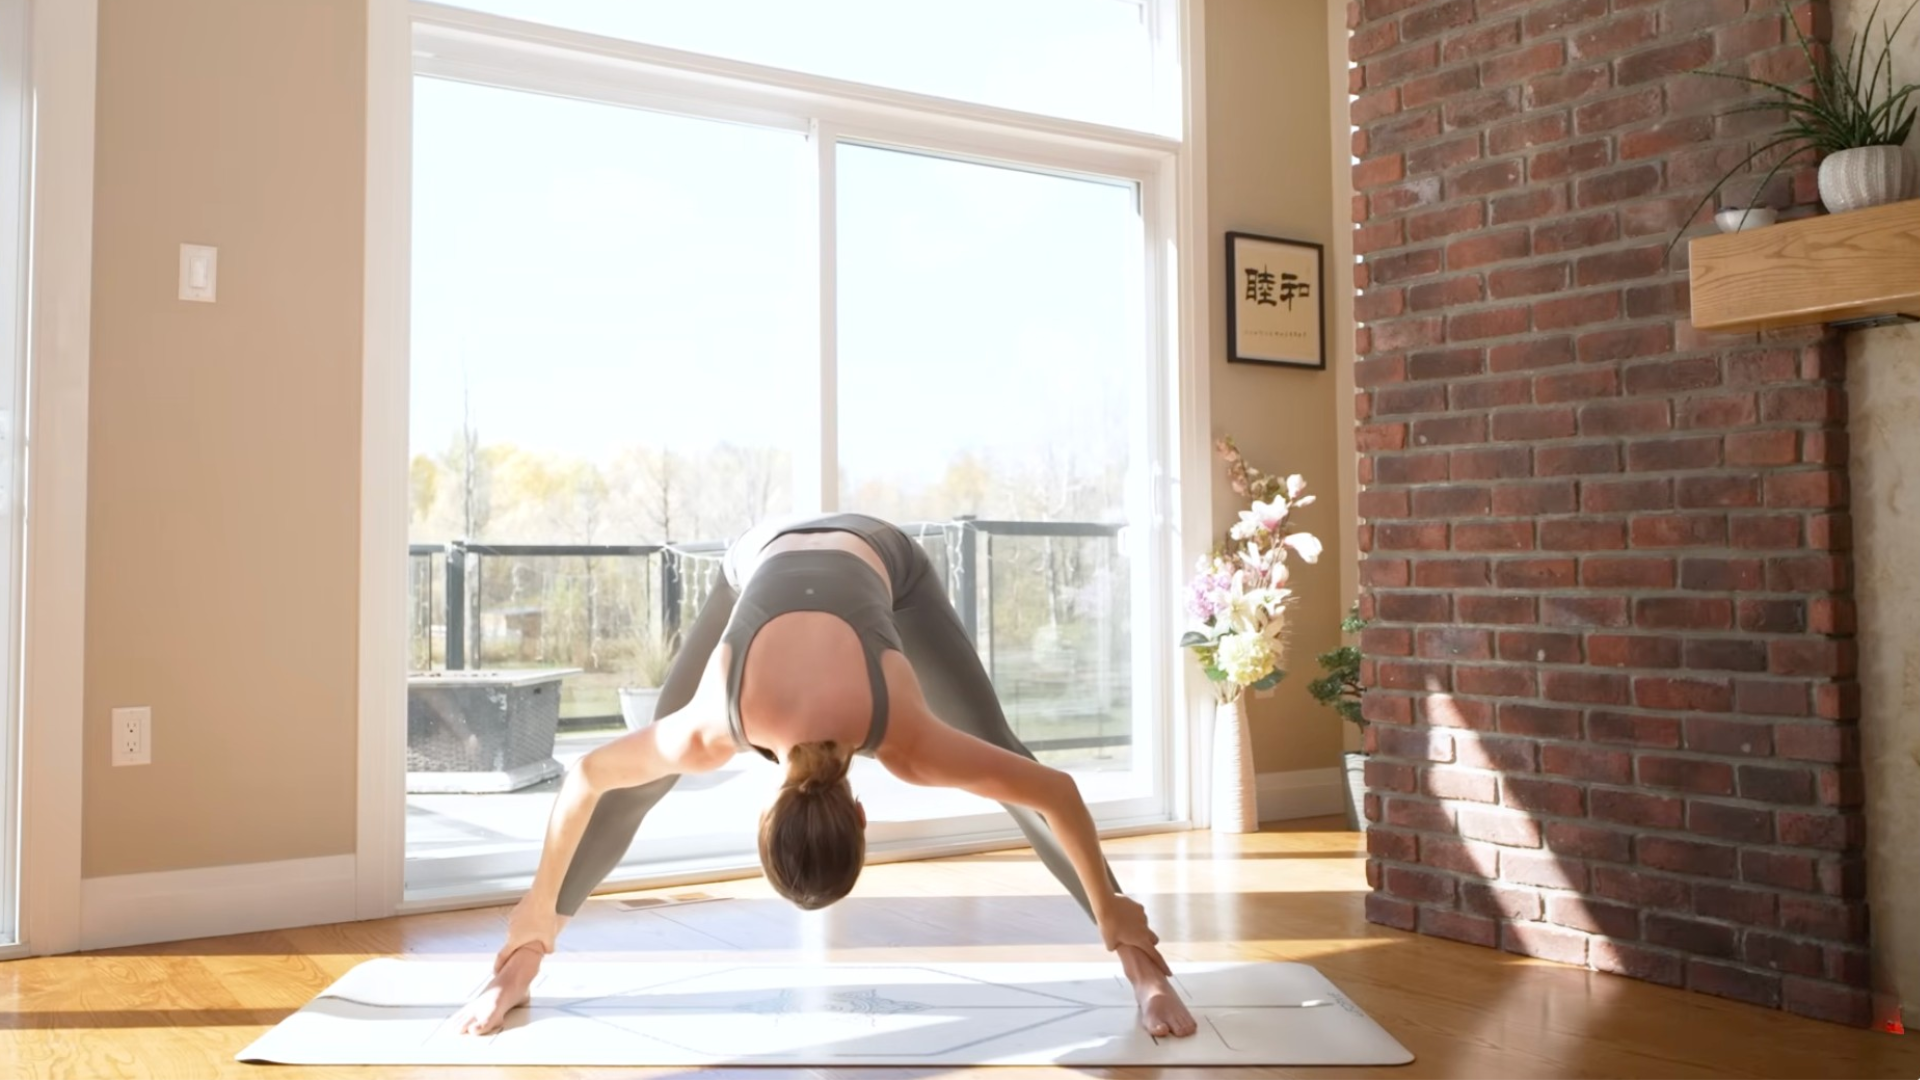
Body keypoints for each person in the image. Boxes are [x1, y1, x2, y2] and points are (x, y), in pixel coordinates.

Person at [452, 512, 1197, 1039]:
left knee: (1003, 747)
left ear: (861, 815)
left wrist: (1112, 912)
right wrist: (533, 916)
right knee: (643, 778)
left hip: (879, 558)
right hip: (765, 554)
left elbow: (586, 775)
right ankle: (527, 959)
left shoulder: (880, 737)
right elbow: (585, 775)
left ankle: (1141, 966)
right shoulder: (735, 725)